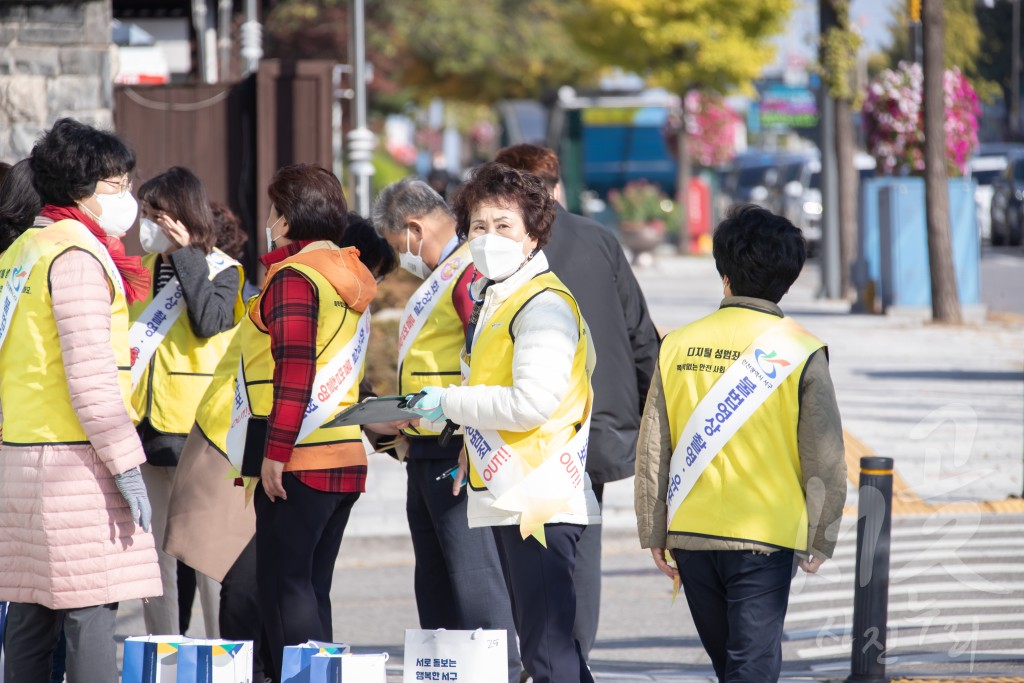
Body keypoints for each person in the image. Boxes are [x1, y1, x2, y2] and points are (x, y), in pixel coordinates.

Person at [634, 204, 847, 683]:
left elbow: (654, 446)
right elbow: (825, 454)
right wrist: (823, 531)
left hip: (691, 531)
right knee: (750, 665)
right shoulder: (801, 351)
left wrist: (653, 529)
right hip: (765, 536)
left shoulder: (677, 344)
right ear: (788, 279)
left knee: (731, 664)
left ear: (723, 273)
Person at [406, 162, 600, 683]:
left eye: (504, 226)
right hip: (511, 488)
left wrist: (449, 402)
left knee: (548, 653)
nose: (488, 238)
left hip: (538, 494)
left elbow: (530, 402)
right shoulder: (500, 294)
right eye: (478, 227)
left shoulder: (542, 304)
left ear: (534, 236)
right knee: (545, 645)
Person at [187, 163, 376, 680]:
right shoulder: (350, 274)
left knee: (283, 588)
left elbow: (295, 370)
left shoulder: (295, 278)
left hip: (299, 454)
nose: (268, 220)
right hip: (344, 451)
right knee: (311, 588)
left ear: (289, 218)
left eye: (273, 211)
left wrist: (276, 453)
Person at [0, 117, 161, 681]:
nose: (128, 197)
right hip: (76, 463)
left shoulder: (21, 254)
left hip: (21, 455)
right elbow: (92, 377)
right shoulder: (76, 258)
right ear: (79, 189)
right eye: (116, 185)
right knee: (91, 609)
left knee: (31, 611)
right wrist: (127, 466)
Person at [494, 143, 659, 658]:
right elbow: (639, 335)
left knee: (527, 545)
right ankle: (574, 656)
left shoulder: (504, 248)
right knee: (582, 546)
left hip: (528, 426)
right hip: (599, 426)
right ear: (557, 185)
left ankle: (544, 656)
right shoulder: (600, 238)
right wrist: (650, 418)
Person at [372, 178, 521, 683]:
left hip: (456, 442)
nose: (403, 257)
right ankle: (452, 671)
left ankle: (501, 670)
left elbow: (485, 357)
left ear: (414, 229)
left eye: (398, 246)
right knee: (437, 576)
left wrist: (472, 436)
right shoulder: (446, 270)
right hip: (426, 440)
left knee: (471, 574)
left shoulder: (466, 272)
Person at [129, 166, 245, 637]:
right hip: (147, 428)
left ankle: (219, 654)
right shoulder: (139, 271)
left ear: (182, 216)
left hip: (199, 432)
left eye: (157, 215)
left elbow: (209, 321)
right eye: (145, 214)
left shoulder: (225, 270)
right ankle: (162, 647)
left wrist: (189, 254)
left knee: (205, 557)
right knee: (154, 560)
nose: (149, 225)